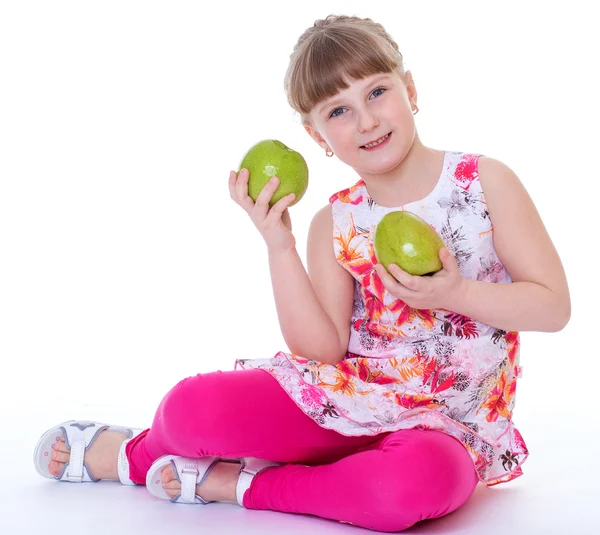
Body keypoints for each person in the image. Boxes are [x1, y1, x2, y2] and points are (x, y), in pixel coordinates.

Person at [33, 14, 571, 533]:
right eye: (337, 111)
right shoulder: (334, 222)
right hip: (352, 401)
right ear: (316, 137)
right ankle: (136, 453)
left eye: (377, 92)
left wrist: (456, 291)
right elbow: (322, 352)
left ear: (410, 88)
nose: (365, 120)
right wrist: (278, 244)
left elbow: (552, 307)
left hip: (450, 429)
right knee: (191, 408)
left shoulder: (485, 182)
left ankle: (243, 485)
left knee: (400, 492)